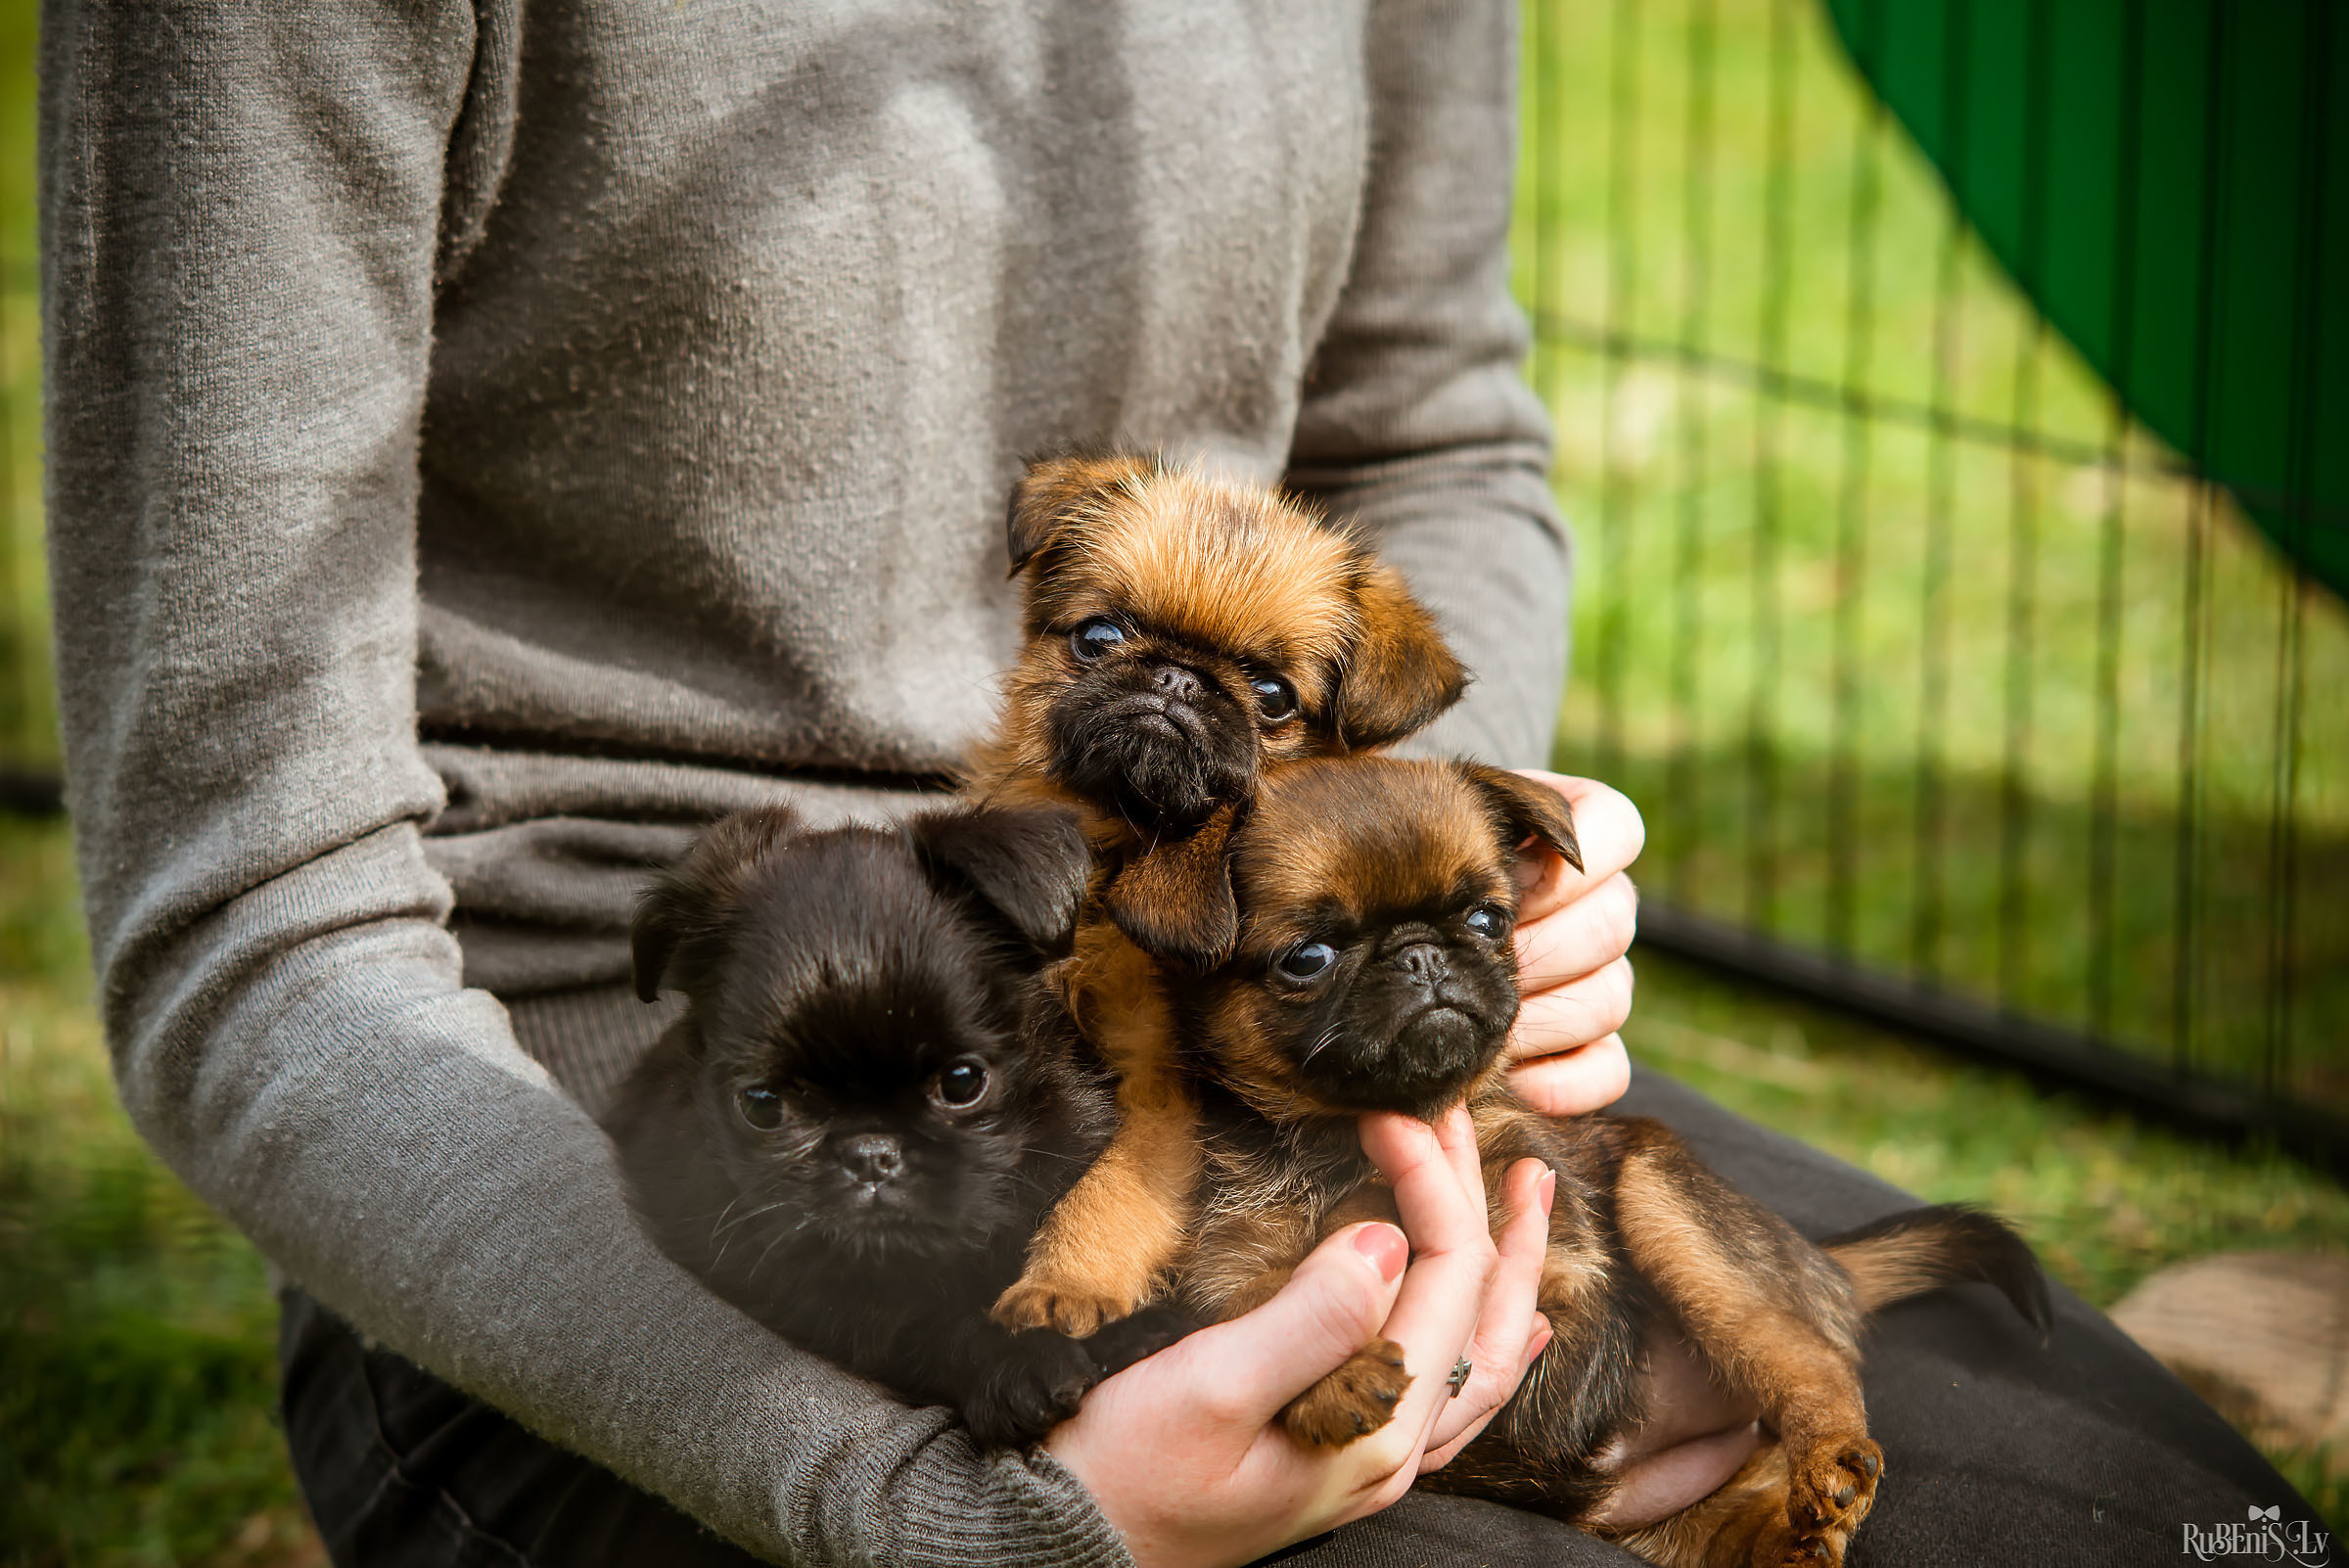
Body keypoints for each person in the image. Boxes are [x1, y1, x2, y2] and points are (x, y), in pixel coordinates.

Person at [38, 1, 2312, 1564]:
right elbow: (263, 925)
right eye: (1106, 643)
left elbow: (1432, 414)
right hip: (663, 1174)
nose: (1159, 697)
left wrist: (1436, 874)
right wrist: (937, 1513)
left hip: (1290, 1085)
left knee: (2175, 1522)